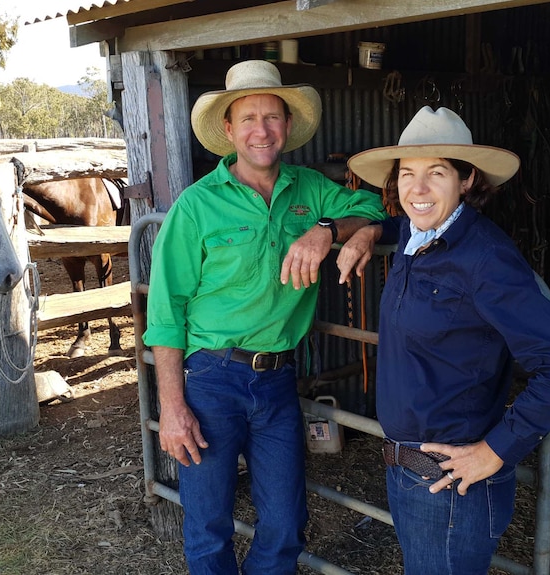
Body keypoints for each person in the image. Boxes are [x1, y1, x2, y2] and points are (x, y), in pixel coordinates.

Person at [142, 60, 387, 575]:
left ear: (288, 126)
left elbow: (373, 203)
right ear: (229, 130)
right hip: (210, 379)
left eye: (272, 117)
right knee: (208, 525)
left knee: (286, 521)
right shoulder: (196, 207)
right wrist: (172, 406)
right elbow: (166, 314)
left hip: (277, 381)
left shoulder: (309, 190)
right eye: (248, 118)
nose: (262, 130)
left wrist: (335, 231)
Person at [335, 106, 550, 574]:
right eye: (406, 174)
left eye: (436, 173)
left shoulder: (486, 259)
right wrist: (371, 229)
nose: (417, 189)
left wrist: (496, 450)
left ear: (467, 180)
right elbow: (408, 222)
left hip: (451, 485)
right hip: (409, 471)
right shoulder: (419, 237)